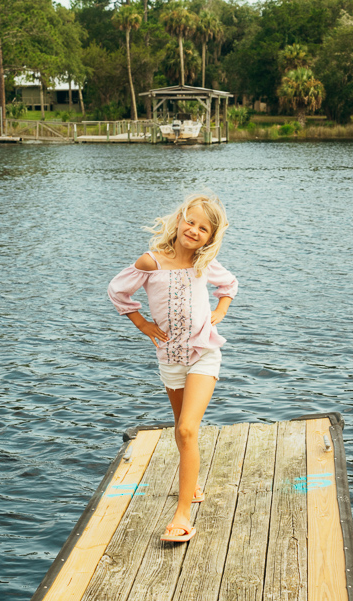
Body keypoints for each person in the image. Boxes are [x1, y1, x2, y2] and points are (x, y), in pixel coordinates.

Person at [107, 192, 238, 543]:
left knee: (186, 430)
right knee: (182, 427)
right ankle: (191, 483)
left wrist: (220, 313)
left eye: (203, 229)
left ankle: (182, 514)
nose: (194, 231)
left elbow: (229, 286)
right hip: (170, 357)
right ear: (179, 220)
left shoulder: (202, 263)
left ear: (211, 237)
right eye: (190, 222)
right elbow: (118, 291)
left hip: (203, 353)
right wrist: (142, 324)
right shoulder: (152, 262)